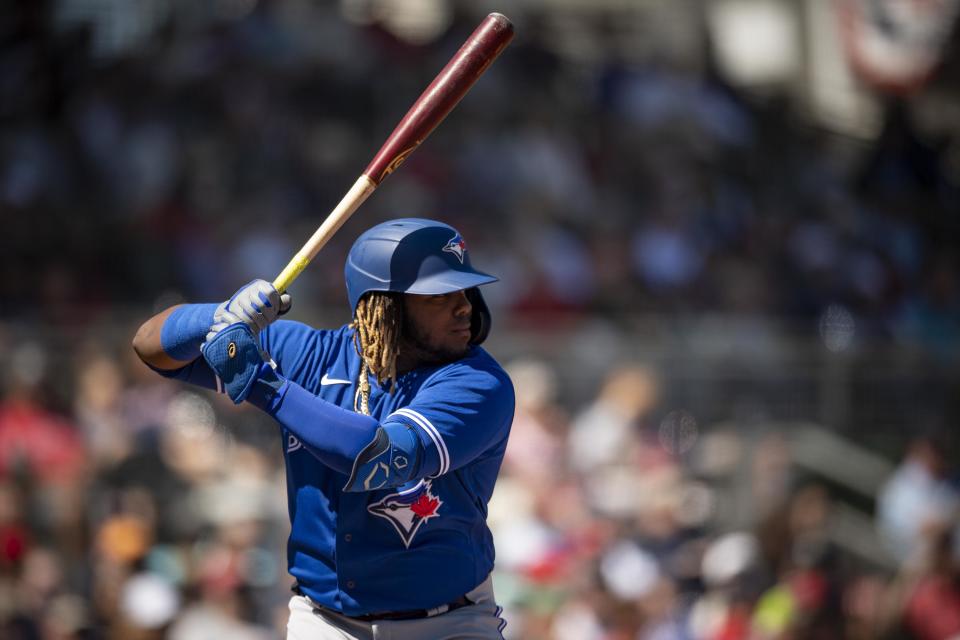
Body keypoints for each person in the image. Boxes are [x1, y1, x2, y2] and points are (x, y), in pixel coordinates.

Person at [132, 218, 515, 639]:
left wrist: (262, 383)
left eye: (465, 290)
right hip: (326, 621)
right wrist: (219, 317)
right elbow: (151, 347)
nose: (464, 306)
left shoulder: (479, 382)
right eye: (439, 295)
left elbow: (381, 458)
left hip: (447, 623)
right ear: (382, 305)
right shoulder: (309, 354)